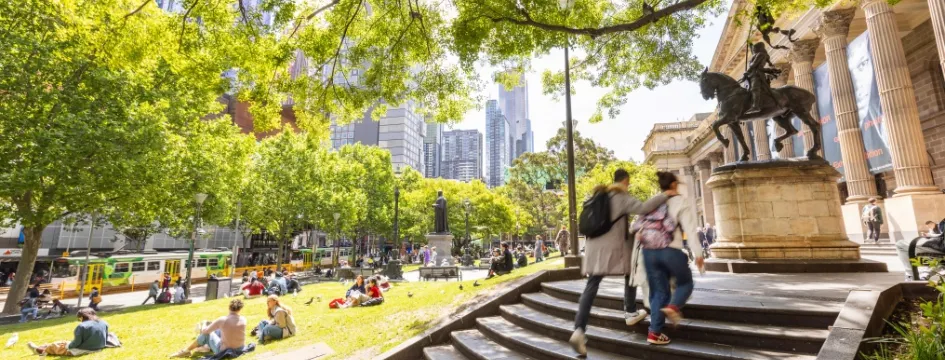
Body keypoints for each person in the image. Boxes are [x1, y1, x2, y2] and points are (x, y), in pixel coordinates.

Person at [569, 168, 674, 356]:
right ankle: (631, 310)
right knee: (629, 272)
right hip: (614, 249)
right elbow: (644, 207)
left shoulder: (598, 195)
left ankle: (579, 329)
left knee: (592, 285)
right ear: (626, 181)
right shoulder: (621, 197)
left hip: (593, 248)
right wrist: (665, 194)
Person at [641, 171, 705, 346]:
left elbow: (636, 225)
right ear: (674, 185)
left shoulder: (653, 202)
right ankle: (673, 307)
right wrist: (698, 254)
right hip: (671, 250)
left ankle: (654, 332)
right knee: (686, 283)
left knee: (658, 292)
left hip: (649, 252)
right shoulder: (681, 202)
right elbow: (690, 231)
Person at [171, 299, 247, 358]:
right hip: (240, 349)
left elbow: (205, 331)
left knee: (206, 334)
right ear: (240, 309)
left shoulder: (222, 320)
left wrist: (204, 324)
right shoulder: (243, 319)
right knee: (218, 330)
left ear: (229, 307)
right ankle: (205, 347)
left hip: (224, 351)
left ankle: (186, 351)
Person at [27, 308, 109, 356]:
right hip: (99, 347)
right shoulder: (104, 322)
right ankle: (42, 346)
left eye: (79, 318)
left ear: (82, 317)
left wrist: (68, 346)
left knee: (56, 346)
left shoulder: (82, 326)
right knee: (62, 342)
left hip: (85, 349)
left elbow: (76, 343)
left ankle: (39, 350)